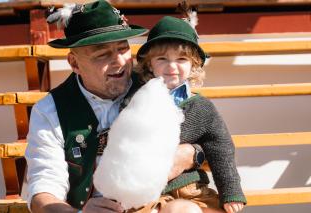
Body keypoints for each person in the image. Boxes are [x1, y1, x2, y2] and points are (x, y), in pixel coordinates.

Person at [25, 1, 215, 213]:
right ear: (75, 63)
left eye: (123, 49)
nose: (119, 62)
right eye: (102, 55)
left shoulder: (156, 83)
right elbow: (43, 192)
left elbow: (215, 138)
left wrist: (193, 153)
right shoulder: (51, 110)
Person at [134, 16, 247, 213]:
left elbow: (220, 147)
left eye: (181, 59)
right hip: (148, 194)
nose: (172, 66)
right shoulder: (135, 101)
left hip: (192, 190)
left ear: (193, 65)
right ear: (149, 64)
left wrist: (230, 190)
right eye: (162, 59)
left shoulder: (201, 108)